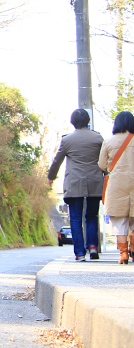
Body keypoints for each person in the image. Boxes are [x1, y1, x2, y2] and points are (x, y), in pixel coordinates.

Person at [47, 109, 104, 262]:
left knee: (76, 219)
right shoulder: (98, 138)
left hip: (75, 183)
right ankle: (92, 247)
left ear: (73, 122)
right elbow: (105, 160)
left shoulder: (67, 140)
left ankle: (79, 253)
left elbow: (57, 161)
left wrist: (51, 177)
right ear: (88, 121)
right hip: (95, 181)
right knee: (92, 216)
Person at [98, 111, 134, 264]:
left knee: (120, 222)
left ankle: (124, 254)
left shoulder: (109, 141)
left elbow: (101, 165)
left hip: (117, 184)